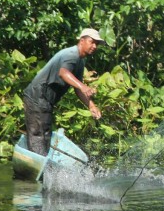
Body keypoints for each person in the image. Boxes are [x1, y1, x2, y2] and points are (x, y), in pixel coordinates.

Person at [23, 28, 105, 156]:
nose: (94, 46)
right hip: (37, 95)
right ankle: (37, 164)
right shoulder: (71, 54)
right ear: (82, 41)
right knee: (38, 133)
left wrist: (91, 105)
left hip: (45, 99)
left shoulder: (80, 60)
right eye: (92, 42)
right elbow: (63, 73)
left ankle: (41, 161)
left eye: (97, 44)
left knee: (45, 132)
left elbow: (77, 88)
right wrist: (83, 86)